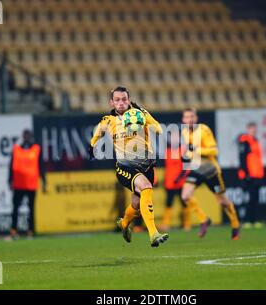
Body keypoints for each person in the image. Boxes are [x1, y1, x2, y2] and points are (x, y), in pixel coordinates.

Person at [89, 86, 168, 247]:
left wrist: (144, 117)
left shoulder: (141, 114)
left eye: (124, 99)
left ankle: (124, 224)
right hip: (125, 166)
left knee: (137, 205)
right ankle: (153, 233)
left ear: (129, 100)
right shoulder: (108, 120)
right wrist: (92, 145)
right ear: (111, 102)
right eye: (117, 100)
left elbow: (159, 129)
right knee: (146, 188)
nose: (121, 103)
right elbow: (97, 133)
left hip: (147, 166)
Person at [180, 108, 240, 240]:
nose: (189, 119)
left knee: (223, 201)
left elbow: (214, 151)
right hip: (197, 169)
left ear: (196, 118)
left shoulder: (204, 130)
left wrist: (195, 150)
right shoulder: (184, 132)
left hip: (211, 170)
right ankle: (204, 219)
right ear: (183, 120)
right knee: (185, 196)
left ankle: (235, 224)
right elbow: (189, 152)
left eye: (191, 116)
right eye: (186, 117)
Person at [8, 129, 46, 239]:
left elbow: (41, 166)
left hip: (31, 184)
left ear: (31, 137)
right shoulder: (16, 149)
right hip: (19, 184)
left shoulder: (36, 149)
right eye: (25, 135)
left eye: (28, 136)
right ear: (22, 136)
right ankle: (14, 230)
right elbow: (11, 166)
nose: (26, 138)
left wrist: (44, 181)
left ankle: (30, 231)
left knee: (31, 209)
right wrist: (10, 180)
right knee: (15, 208)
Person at [237, 122, 265, 228]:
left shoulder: (255, 141)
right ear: (247, 129)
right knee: (250, 198)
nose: (253, 131)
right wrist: (246, 173)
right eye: (251, 129)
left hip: (257, 174)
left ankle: (254, 220)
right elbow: (242, 158)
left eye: (254, 129)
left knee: (255, 198)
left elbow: (257, 159)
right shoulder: (245, 141)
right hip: (249, 175)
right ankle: (248, 220)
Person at [160, 131, 189, 231]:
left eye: (175, 137)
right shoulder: (167, 151)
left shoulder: (183, 150)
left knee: (184, 202)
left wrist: (179, 178)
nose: (174, 139)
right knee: (168, 203)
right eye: (172, 137)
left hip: (180, 182)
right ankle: (166, 224)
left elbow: (186, 167)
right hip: (170, 182)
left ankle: (186, 224)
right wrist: (165, 179)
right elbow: (167, 167)